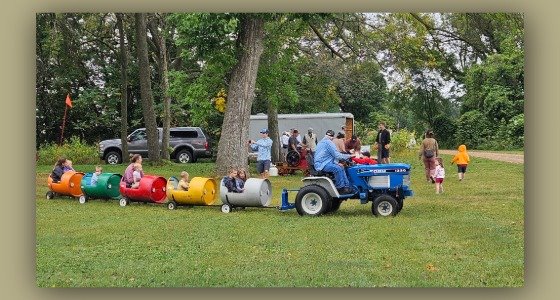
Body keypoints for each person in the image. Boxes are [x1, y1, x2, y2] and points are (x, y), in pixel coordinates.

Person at [314, 129, 353, 194]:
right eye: (331, 136)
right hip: (322, 164)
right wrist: (350, 156)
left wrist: (337, 162)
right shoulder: (328, 143)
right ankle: (340, 188)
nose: (331, 137)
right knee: (337, 169)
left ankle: (347, 186)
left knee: (341, 167)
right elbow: (337, 155)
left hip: (324, 162)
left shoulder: (321, 142)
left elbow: (329, 156)